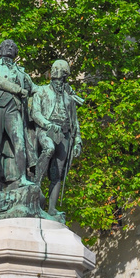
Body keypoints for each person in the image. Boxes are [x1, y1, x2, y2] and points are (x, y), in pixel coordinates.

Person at [0, 40, 36, 190]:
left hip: (14, 109)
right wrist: (17, 89)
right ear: (0, 50)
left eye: (12, 47)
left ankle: (22, 178)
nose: (9, 48)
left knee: (20, 142)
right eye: (6, 46)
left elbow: (35, 89)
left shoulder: (21, 72)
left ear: (16, 53)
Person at [30, 59, 83, 214]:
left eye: (62, 78)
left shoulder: (69, 98)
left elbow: (75, 122)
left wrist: (78, 141)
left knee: (58, 172)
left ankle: (52, 208)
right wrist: (48, 125)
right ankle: (36, 184)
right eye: (57, 78)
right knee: (48, 148)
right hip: (47, 130)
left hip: (65, 134)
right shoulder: (42, 91)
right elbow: (35, 113)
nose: (59, 81)